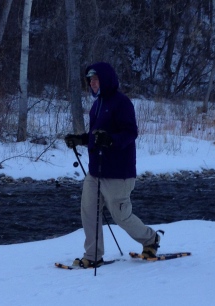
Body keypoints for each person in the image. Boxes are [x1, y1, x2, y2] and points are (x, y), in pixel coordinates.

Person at [64, 62, 161, 268]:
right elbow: (96, 135)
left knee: (121, 216)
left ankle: (150, 239)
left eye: (96, 79)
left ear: (106, 80)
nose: (92, 83)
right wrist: (80, 140)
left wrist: (110, 141)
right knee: (88, 211)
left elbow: (130, 132)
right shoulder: (97, 104)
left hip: (118, 172)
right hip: (96, 170)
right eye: (90, 80)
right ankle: (93, 255)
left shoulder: (122, 103)